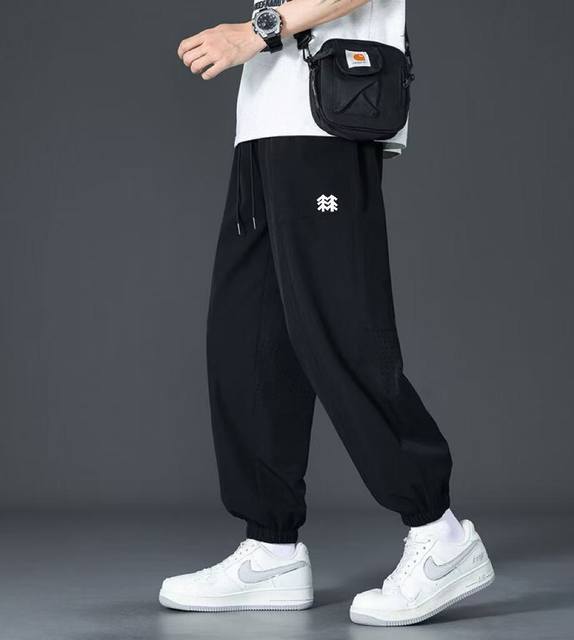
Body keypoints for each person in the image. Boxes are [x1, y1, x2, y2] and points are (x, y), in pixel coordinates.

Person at [159, 0, 494, 627]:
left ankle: (440, 534)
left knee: (339, 332)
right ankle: (272, 548)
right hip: (266, 122)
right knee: (248, 339)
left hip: (326, 119)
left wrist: (256, 30)